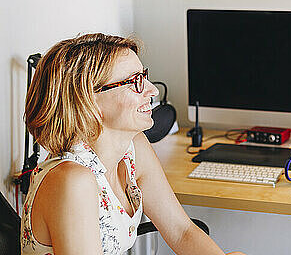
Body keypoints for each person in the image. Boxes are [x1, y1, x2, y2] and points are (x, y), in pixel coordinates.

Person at [21, 33, 245, 255]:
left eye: (144, 76)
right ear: (88, 100)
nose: (153, 91)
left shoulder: (133, 146)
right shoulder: (72, 181)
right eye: (135, 82)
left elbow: (181, 231)